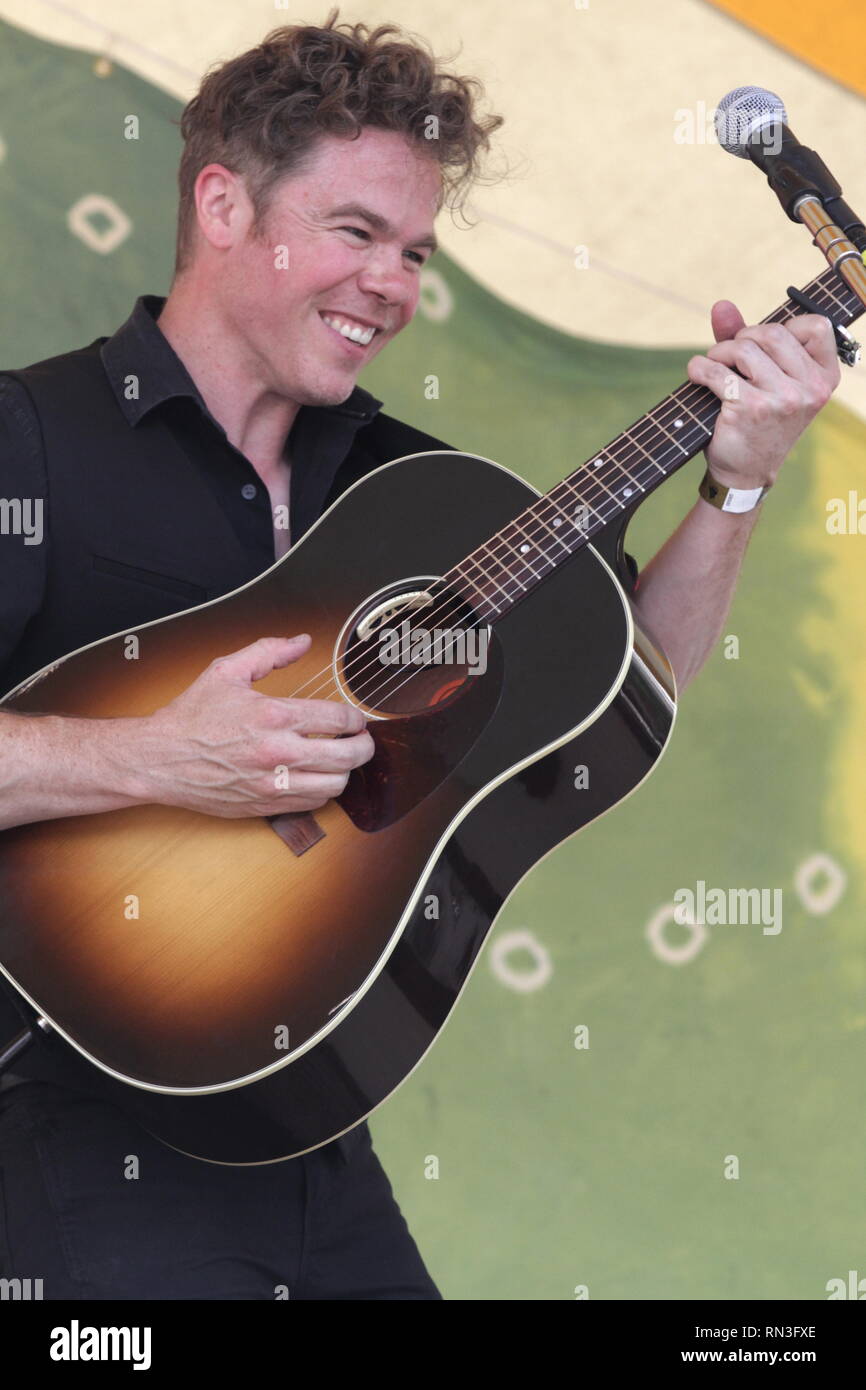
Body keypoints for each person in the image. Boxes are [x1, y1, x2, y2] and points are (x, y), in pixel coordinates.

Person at [0, 10, 842, 1301]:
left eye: (413, 250)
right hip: (56, 1117)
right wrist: (159, 753)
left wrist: (734, 488)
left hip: (310, 1126)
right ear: (223, 206)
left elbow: (621, 692)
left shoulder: (414, 494)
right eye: (355, 233)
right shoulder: (32, 441)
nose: (392, 284)